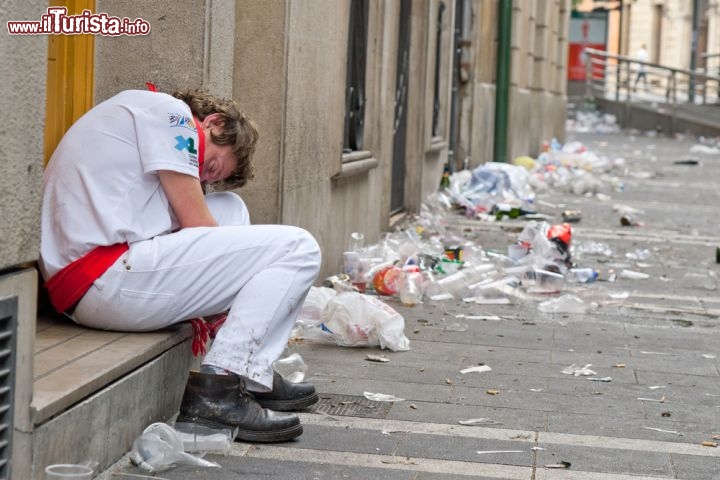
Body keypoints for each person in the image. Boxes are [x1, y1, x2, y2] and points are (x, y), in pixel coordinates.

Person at [39, 87, 322, 443]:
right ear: (213, 123)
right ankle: (220, 384)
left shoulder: (143, 114)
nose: (203, 178)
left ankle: (247, 369)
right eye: (212, 166)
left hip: (102, 272)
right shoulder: (169, 114)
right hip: (99, 278)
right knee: (298, 247)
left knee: (230, 206)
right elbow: (199, 226)